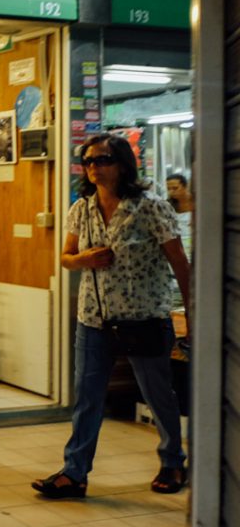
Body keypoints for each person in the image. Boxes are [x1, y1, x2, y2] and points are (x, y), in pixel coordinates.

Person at [32, 134, 191, 499]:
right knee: (87, 397)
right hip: (94, 319)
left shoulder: (151, 207)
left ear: (122, 164)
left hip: (144, 317)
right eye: (87, 161)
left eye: (101, 160)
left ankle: (172, 461)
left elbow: (180, 264)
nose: (93, 168)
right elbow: (67, 257)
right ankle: (75, 473)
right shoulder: (81, 209)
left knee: (158, 395)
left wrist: (192, 313)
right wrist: (83, 260)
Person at [166, 173, 194, 258]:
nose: (171, 192)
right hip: (179, 245)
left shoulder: (196, 202)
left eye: (175, 188)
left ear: (185, 186)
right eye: (168, 189)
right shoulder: (167, 205)